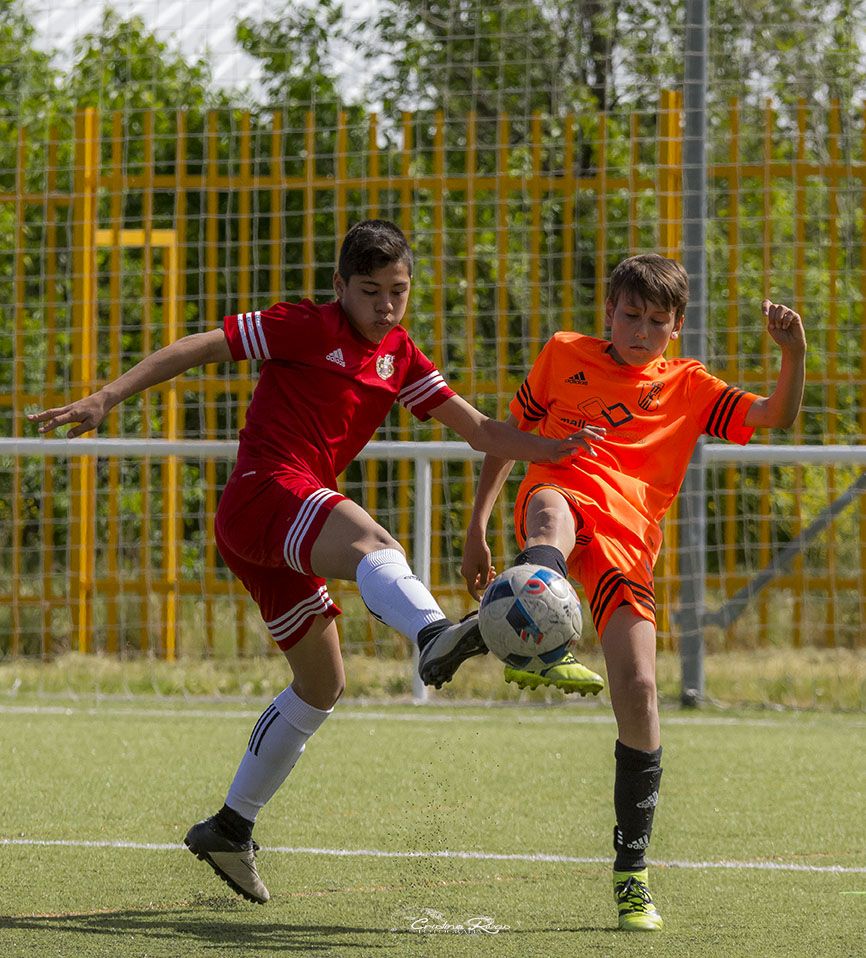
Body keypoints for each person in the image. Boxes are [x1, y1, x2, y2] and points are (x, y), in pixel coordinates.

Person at [27, 219, 602, 905]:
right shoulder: (304, 325)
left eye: (398, 292)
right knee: (375, 545)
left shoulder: (400, 355)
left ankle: (230, 827)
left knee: (322, 684)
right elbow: (197, 346)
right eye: (370, 291)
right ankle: (431, 637)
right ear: (340, 286)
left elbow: (480, 431)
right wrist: (107, 396)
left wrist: (553, 449)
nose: (385, 307)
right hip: (263, 493)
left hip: (278, 525)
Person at [455, 254, 806, 931]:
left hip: (629, 538)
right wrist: (477, 526)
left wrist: (792, 355)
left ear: (676, 328)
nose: (641, 331)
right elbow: (506, 439)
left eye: (656, 321)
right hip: (560, 488)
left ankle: (632, 874)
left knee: (641, 689)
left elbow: (775, 415)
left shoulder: (689, 385)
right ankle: (535, 637)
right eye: (630, 315)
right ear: (609, 312)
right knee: (551, 516)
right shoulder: (563, 353)